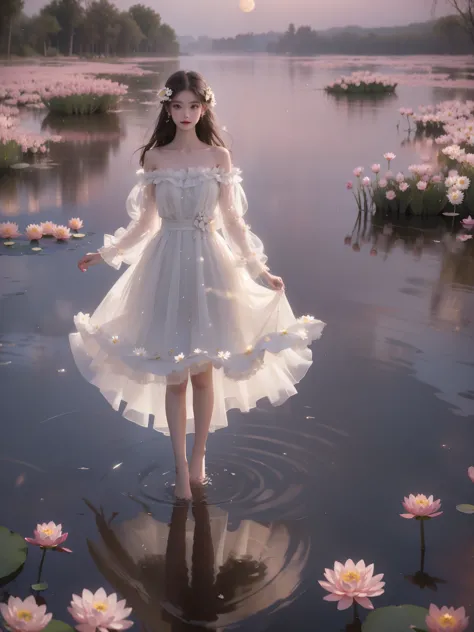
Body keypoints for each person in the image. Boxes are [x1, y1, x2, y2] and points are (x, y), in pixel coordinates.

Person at [69, 70, 326, 500]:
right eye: (177, 106)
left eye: (193, 106)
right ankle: (178, 464)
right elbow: (145, 223)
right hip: (165, 265)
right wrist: (106, 254)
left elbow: (233, 221)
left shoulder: (218, 157)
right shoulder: (154, 158)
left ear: (204, 107)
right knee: (174, 374)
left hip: (211, 266)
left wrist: (260, 269)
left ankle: (200, 456)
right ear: (167, 108)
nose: (185, 114)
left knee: (205, 373)